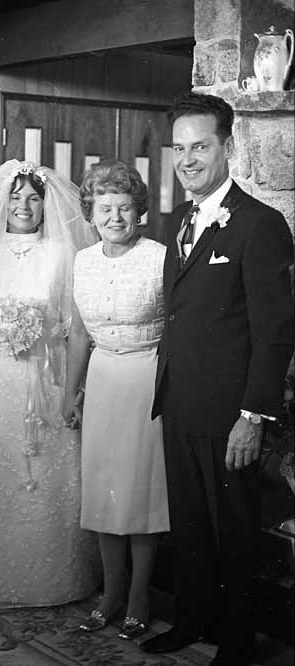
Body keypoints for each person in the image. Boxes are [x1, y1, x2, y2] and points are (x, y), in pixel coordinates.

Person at [140, 93, 294, 666]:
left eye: (200, 147)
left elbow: (275, 333)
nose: (187, 160)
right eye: (179, 149)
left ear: (228, 147)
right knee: (189, 526)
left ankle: (236, 643)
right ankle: (191, 622)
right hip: (179, 401)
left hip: (231, 413)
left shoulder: (261, 224)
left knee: (234, 532)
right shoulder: (179, 220)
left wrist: (252, 416)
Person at [0, 159, 101, 609]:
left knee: (45, 468)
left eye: (34, 198)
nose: (23, 206)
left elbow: (73, 325)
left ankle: (56, 576)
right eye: (15, 197)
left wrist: (39, 337)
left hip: (46, 372)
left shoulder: (60, 252)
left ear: (45, 204)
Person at [63, 159, 169, 640]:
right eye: (105, 208)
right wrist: (70, 393)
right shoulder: (83, 261)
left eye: (124, 207)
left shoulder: (160, 258)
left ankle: (140, 595)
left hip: (148, 380)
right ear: (91, 212)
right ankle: (111, 593)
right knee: (104, 490)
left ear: (138, 211)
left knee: (141, 492)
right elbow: (78, 335)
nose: (115, 218)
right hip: (102, 379)